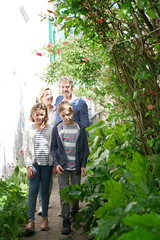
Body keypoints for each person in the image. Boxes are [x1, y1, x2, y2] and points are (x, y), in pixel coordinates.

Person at [51, 101, 89, 235]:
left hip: (76, 166)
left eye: (68, 114)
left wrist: (83, 164)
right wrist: (57, 163)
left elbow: (85, 149)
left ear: (72, 113)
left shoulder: (80, 128)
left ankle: (75, 212)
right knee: (64, 192)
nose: (66, 118)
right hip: (63, 166)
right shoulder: (58, 128)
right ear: (59, 115)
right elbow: (54, 148)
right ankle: (66, 219)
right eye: (63, 115)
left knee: (76, 191)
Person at [23, 102, 53, 233]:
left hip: (47, 165)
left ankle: (44, 219)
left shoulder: (50, 129)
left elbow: (53, 147)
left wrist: (53, 163)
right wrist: (29, 166)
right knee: (33, 191)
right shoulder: (29, 129)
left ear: (46, 115)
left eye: (42, 114)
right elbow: (26, 148)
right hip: (34, 165)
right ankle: (30, 221)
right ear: (32, 115)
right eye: (37, 115)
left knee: (45, 191)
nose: (39, 117)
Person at [37, 87, 56, 215]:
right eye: (47, 94)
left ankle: (46, 199)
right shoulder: (37, 110)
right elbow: (30, 126)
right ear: (41, 98)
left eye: (51, 94)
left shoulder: (56, 110)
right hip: (38, 146)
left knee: (48, 177)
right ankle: (42, 203)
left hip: (51, 146)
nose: (50, 96)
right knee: (39, 177)